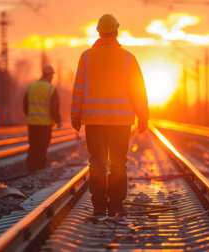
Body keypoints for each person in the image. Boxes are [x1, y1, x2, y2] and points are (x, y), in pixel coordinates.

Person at [71, 14, 149, 218]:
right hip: (120, 122)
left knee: (96, 162)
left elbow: (78, 88)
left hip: (94, 121)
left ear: (98, 32)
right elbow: (138, 90)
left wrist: (75, 114)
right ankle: (115, 205)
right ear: (116, 32)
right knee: (118, 162)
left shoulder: (86, 57)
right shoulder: (128, 58)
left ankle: (98, 206)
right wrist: (143, 116)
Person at [24, 64, 62, 172]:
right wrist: (58, 120)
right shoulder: (51, 88)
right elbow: (54, 107)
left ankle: (31, 168)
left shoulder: (31, 87)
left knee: (33, 146)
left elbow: (25, 105)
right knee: (42, 147)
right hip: (45, 124)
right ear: (50, 76)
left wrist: (31, 116)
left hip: (32, 123)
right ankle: (39, 169)